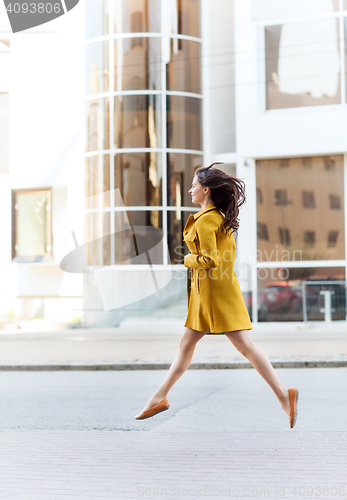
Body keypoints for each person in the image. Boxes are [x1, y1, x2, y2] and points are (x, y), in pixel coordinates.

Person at [135, 163, 299, 428]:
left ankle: (283, 395)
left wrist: (187, 260)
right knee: (188, 345)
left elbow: (210, 260)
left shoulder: (207, 220)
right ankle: (159, 397)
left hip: (213, 294)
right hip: (213, 291)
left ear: (206, 189)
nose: (190, 190)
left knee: (244, 346)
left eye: (194, 186)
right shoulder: (217, 218)